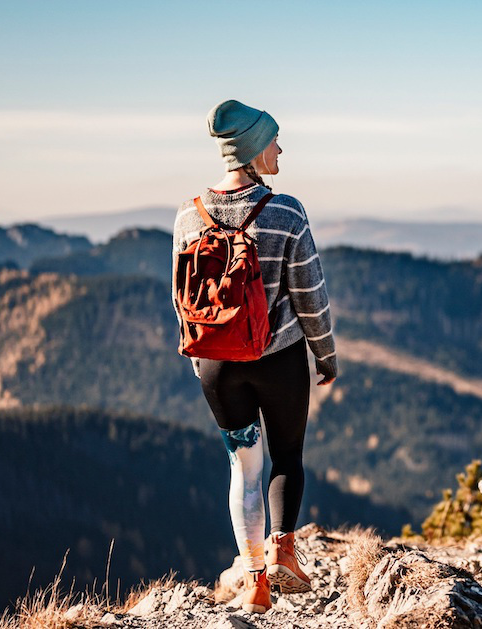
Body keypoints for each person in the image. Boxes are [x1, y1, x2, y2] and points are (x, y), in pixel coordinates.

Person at [171, 99, 339, 614]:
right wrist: (325, 355)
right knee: (286, 458)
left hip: (217, 366)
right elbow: (310, 294)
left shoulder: (187, 215)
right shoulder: (285, 210)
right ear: (252, 149)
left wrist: (201, 359)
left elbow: (182, 298)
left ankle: (256, 581)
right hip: (278, 359)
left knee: (242, 469)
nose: (281, 149)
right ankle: (284, 549)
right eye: (274, 141)